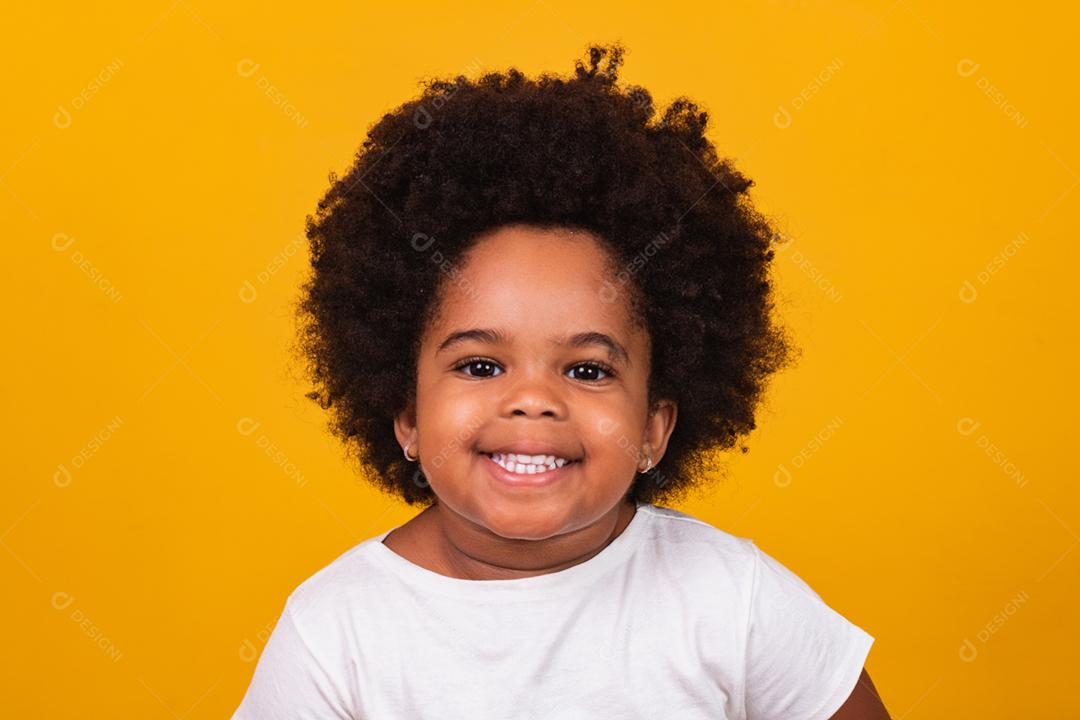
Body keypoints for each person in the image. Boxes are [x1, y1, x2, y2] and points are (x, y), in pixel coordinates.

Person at [231, 42, 891, 719]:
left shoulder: (733, 600)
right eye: (480, 366)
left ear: (653, 429)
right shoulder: (335, 634)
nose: (533, 400)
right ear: (407, 417)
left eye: (587, 370)